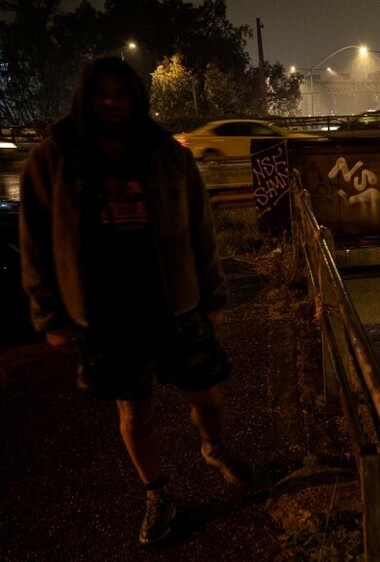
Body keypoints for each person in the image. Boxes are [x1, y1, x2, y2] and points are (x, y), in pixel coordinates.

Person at [18, 56, 250, 546]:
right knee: (133, 413)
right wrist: (49, 314)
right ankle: (158, 493)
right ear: (86, 96)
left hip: (176, 302)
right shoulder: (56, 156)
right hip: (107, 314)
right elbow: (35, 239)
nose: (111, 102)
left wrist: (212, 294)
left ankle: (213, 445)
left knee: (208, 392)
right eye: (101, 93)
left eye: (120, 93)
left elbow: (200, 229)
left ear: (135, 98)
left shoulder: (167, 152)